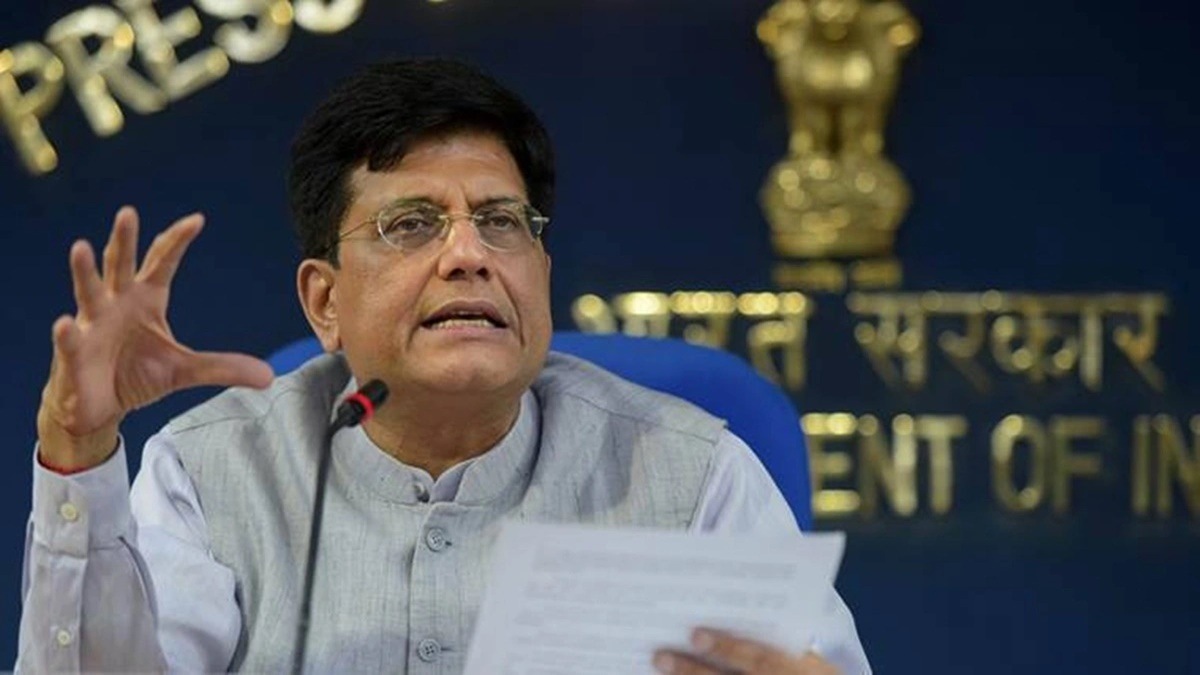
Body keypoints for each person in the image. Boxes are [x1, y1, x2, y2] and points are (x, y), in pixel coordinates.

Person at [19, 58, 869, 674]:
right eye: (412, 224)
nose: (470, 255)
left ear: (542, 270)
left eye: (501, 221)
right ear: (324, 301)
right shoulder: (211, 472)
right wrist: (77, 447)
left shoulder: (697, 473)